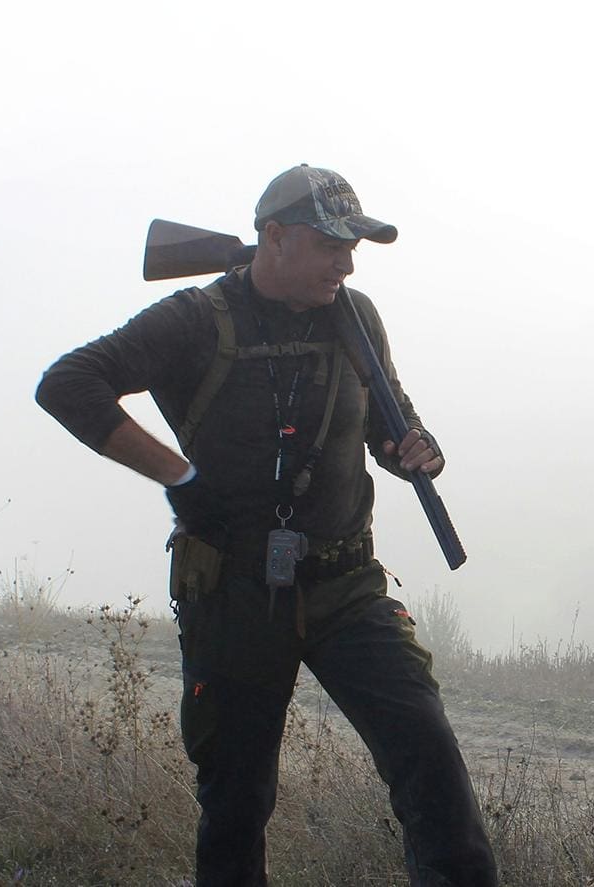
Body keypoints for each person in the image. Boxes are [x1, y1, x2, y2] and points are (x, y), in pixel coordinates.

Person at [35, 164, 498, 886]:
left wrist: (415, 450)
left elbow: (389, 419)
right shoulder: (194, 319)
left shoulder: (356, 315)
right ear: (272, 237)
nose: (346, 263)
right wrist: (177, 477)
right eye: (330, 245)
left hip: (348, 584)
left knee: (431, 760)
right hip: (235, 587)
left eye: (355, 248)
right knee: (237, 801)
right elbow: (67, 384)